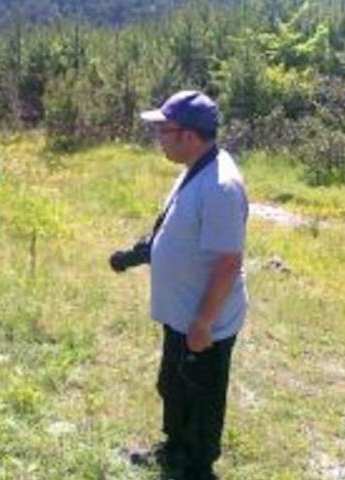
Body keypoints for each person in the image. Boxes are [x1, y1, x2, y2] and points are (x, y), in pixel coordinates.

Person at [111, 91, 249, 480]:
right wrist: (134, 256)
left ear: (188, 135)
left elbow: (227, 263)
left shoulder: (220, 186)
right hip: (182, 315)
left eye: (163, 129)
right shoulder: (195, 168)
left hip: (203, 321)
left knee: (201, 395)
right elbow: (175, 232)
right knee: (174, 384)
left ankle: (196, 465)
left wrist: (204, 322)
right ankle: (173, 448)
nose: (158, 136)